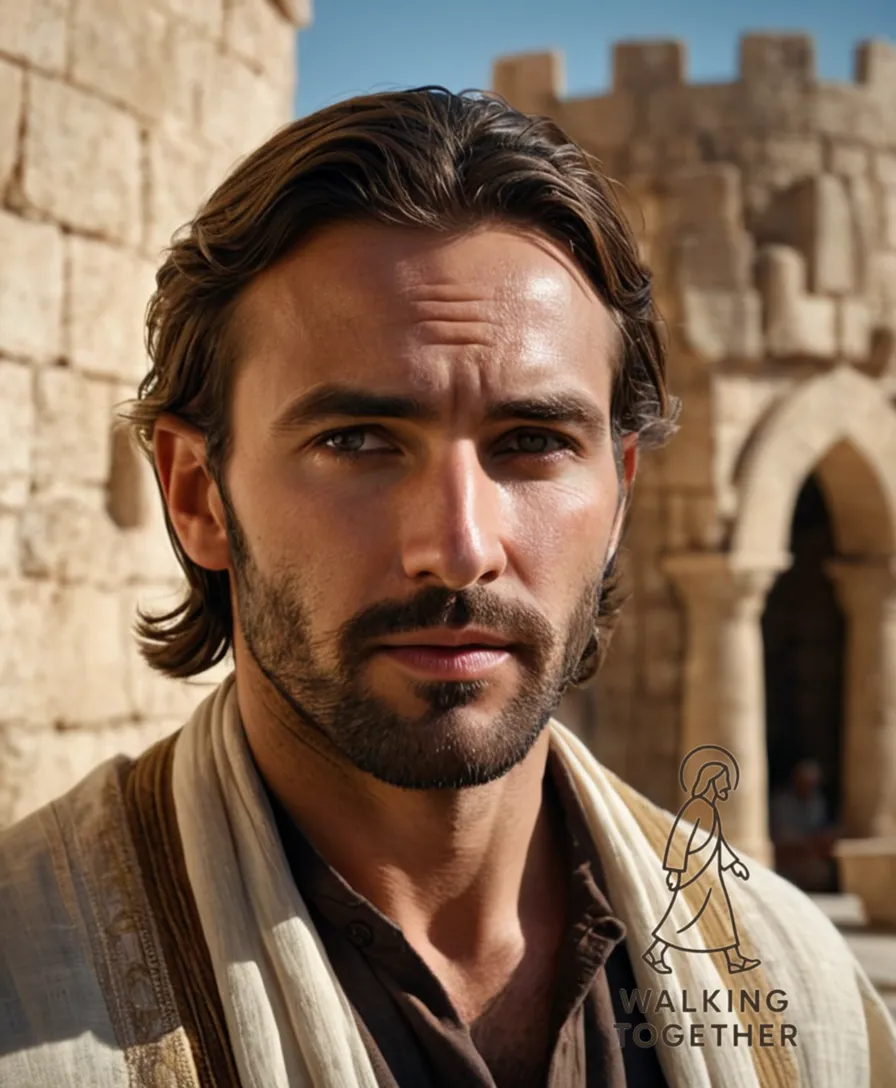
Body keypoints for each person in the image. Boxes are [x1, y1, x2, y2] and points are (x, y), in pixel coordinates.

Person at [0, 88, 892, 1088]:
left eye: (532, 442)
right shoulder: (33, 985)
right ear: (197, 492)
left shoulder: (800, 995)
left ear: (619, 494)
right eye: (359, 441)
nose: (460, 547)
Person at [771, 758, 840, 892]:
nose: (808, 787)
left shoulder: (817, 801)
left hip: (811, 857)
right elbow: (782, 837)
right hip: (788, 859)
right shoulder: (782, 802)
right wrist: (810, 840)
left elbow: (820, 829)